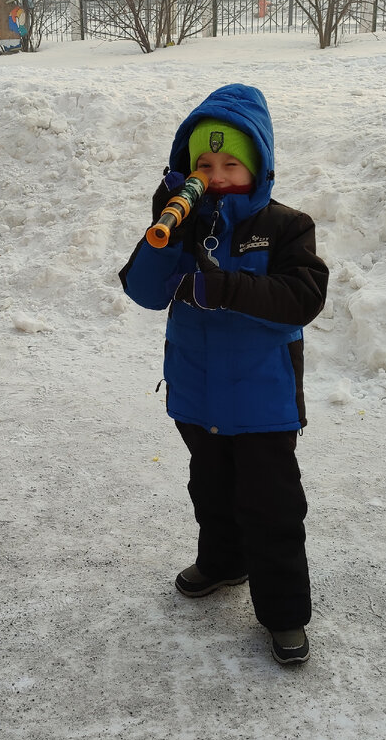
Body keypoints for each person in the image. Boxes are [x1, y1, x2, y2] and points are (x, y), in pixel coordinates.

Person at [118, 84, 329, 665]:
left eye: (230, 163)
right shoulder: (181, 222)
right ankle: (222, 560)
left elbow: (303, 297)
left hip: (262, 402)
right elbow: (141, 290)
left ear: (257, 166)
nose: (215, 175)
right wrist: (165, 233)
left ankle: (284, 613)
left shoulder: (285, 226)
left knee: (272, 506)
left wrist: (226, 288)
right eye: (202, 164)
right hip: (198, 394)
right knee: (209, 490)